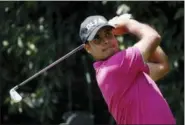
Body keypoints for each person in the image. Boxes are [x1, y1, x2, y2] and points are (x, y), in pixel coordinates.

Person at [79, 14, 176, 124]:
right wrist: (127, 23)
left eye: (108, 34)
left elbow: (163, 66)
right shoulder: (112, 68)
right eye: (97, 39)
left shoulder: (128, 68)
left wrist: (141, 38)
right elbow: (153, 37)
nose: (105, 41)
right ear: (88, 48)